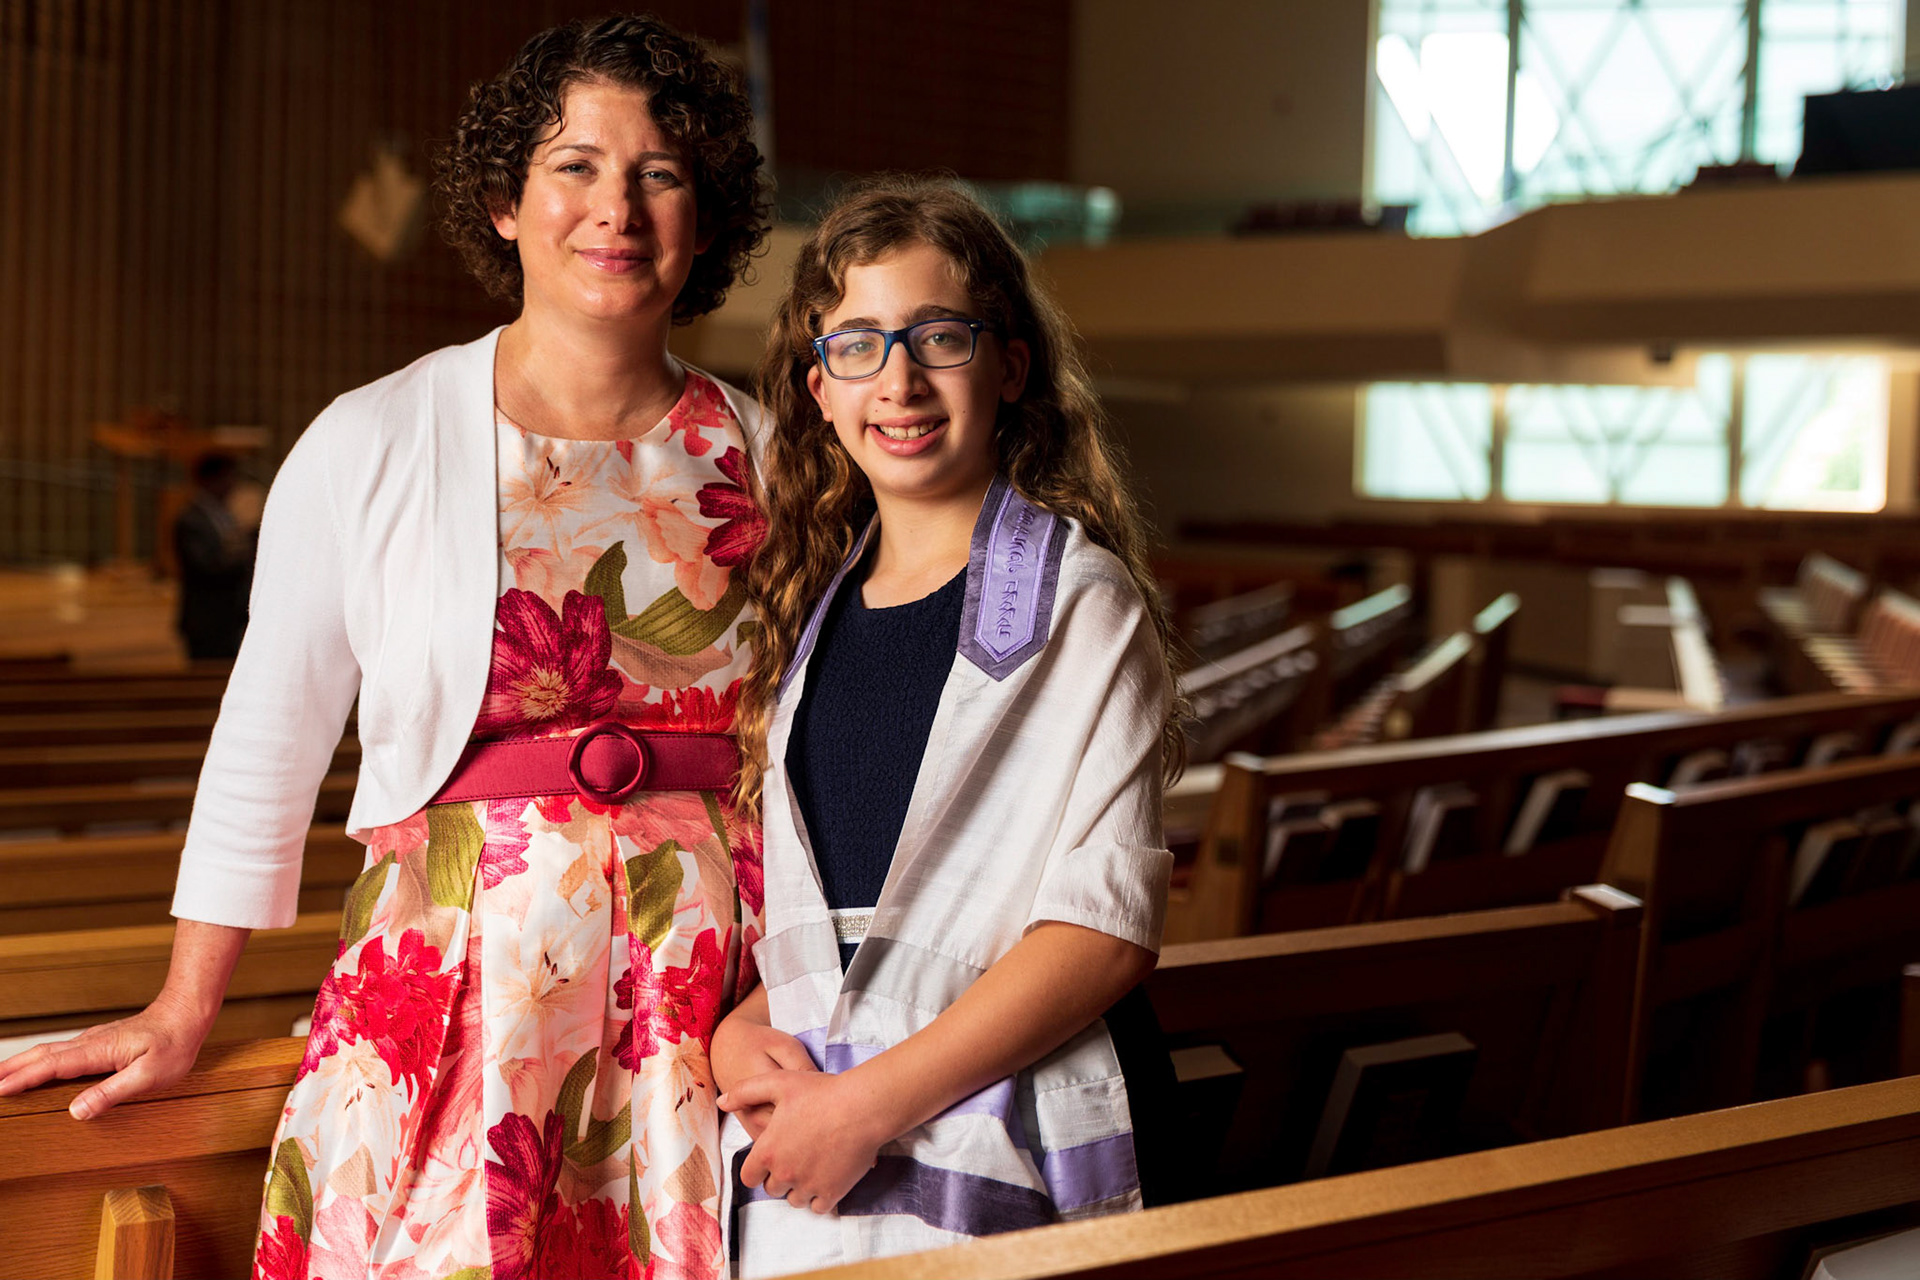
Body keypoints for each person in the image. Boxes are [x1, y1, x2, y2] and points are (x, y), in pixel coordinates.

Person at [0, 14, 770, 1278]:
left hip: (714, 1000)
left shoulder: (778, 451)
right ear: (505, 204)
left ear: (707, 213)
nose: (615, 206)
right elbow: (272, 730)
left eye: (661, 172)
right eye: (574, 165)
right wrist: (184, 1005)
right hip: (457, 971)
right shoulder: (373, 436)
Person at [709, 176, 1182, 1274]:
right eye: (860, 345)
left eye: (939, 337)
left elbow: (1101, 928)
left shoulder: (1078, 597)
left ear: (1010, 366)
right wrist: (745, 1022)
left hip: (983, 1108)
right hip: (830, 1117)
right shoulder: (809, 612)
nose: (901, 380)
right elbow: (848, 916)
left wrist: (867, 1106)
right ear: (817, 388)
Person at [173, 451, 256, 661]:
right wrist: (245, 561)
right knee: (207, 677)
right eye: (228, 478)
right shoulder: (191, 520)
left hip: (230, 614)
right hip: (207, 617)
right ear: (210, 480)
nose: (233, 484)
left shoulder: (223, 514)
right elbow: (204, 567)